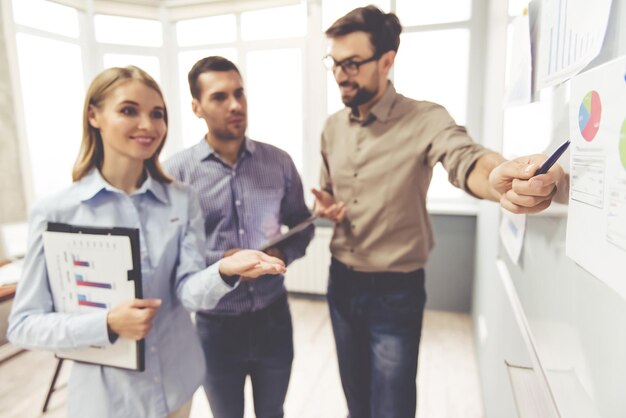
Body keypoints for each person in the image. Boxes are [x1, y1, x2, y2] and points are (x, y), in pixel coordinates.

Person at [312, 6, 565, 418]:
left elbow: (466, 158)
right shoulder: (331, 127)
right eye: (335, 63)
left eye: (353, 63)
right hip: (341, 282)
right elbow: (329, 192)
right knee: (356, 403)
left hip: (396, 290)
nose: (341, 74)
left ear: (387, 61)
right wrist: (328, 206)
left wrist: (498, 174)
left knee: (393, 408)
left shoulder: (426, 118)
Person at [7, 66, 285, 418]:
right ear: (94, 115)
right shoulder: (56, 212)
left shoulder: (181, 200)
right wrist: (105, 324)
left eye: (158, 114)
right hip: (109, 401)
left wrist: (223, 270)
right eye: (129, 110)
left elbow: (185, 291)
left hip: (177, 386)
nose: (148, 125)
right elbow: (23, 325)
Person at [164, 56, 314, 418]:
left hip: (274, 318)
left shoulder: (278, 162)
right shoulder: (175, 174)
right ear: (197, 107)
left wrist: (281, 251)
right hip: (215, 327)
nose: (235, 105)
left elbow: (302, 224)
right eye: (220, 97)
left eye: (240, 93)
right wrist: (224, 262)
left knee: (273, 412)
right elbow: (170, 257)